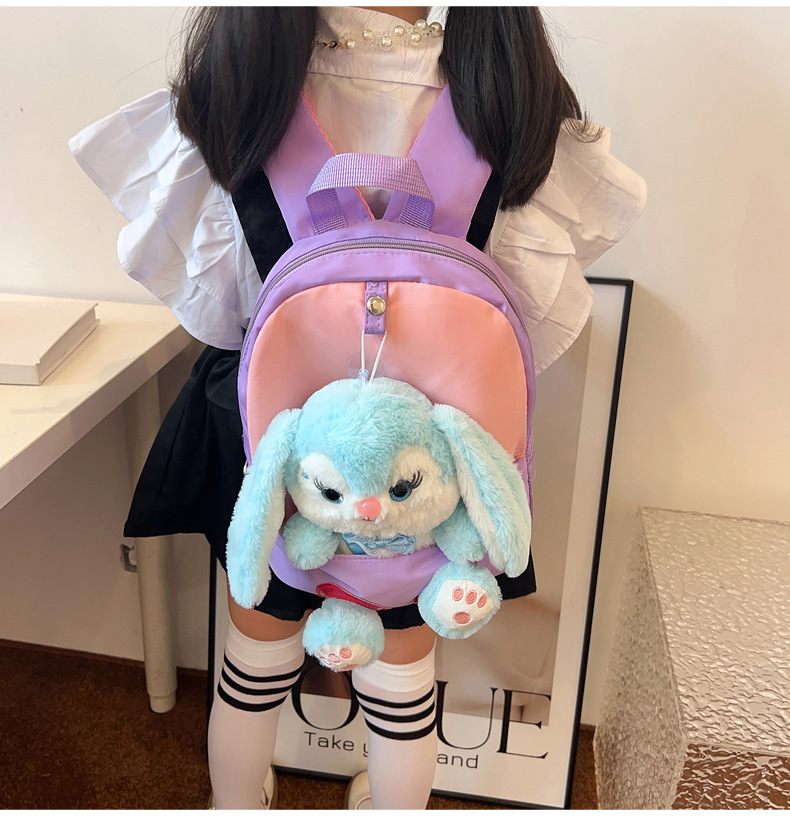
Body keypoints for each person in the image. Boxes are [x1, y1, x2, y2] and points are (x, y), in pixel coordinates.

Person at [70, 6, 646, 810]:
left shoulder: (239, 88)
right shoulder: (509, 95)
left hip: (279, 454)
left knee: (254, 659)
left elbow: (222, 318)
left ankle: (236, 802)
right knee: (403, 677)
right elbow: (532, 336)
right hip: (427, 466)